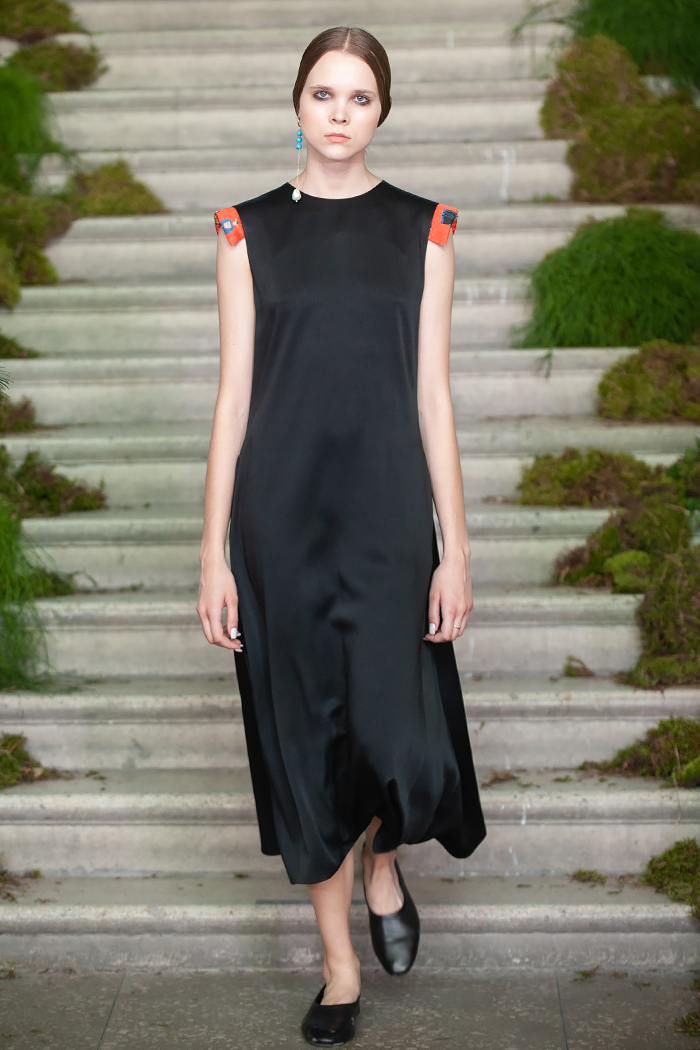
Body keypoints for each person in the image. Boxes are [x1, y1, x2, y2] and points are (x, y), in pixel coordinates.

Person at [197, 25, 486, 1046]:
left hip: (388, 520)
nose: (338, 113)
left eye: (359, 97)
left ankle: (384, 861)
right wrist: (212, 553)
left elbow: (434, 399)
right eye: (323, 93)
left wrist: (455, 548)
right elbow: (233, 399)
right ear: (296, 101)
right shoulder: (244, 230)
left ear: (382, 112)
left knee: (396, 735)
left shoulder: (425, 228)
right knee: (305, 746)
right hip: (279, 522)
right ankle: (337, 971)